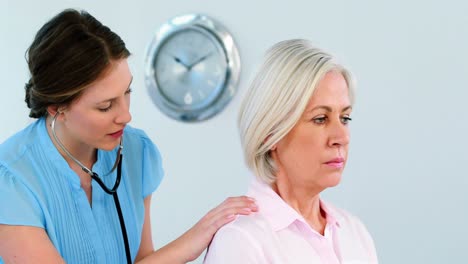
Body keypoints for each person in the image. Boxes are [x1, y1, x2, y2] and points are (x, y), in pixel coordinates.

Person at [0, 9, 258, 264]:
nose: (126, 116)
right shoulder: (11, 180)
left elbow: (142, 259)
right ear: (57, 108)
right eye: (105, 106)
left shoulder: (135, 150)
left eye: (127, 92)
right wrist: (190, 242)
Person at [204, 39, 378, 263]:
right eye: (320, 119)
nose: (341, 137)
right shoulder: (241, 241)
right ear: (271, 132)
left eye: (345, 118)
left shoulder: (354, 232)